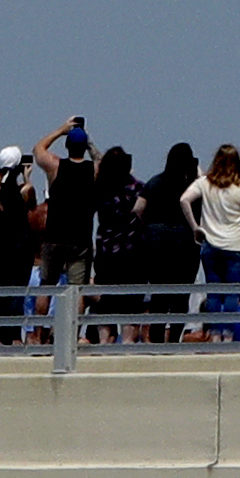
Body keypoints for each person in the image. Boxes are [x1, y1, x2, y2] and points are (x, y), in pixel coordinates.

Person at [184, 144, 240, 336]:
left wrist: (195, 227)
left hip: (211, 245)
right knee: (232, 293)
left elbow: (184, 199)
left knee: (214, 293)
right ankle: (227, 335)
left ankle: (215, 335)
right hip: (237, 246)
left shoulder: (204, 183)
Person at [137, 142, 202, 342]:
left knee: (159, 293)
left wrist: (148, 225)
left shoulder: (155, 182)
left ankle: (156, 336)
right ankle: (174, 337)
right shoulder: (194, 186)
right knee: (181, 295)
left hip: (156, 241)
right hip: (185, 242)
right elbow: (206, 183)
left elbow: (138, 208)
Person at [0, 146, 37, 345]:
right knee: (14, 302)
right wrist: (26, 177)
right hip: (18, 250)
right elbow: (32, 205)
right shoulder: (25, 190)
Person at [35, 120, 98, 293]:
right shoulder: (93, 170)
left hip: (54, 236)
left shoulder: (56, 166)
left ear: (67, 145)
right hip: (80, 238)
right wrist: (90, 143)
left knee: (46, 286)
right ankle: (74, 321)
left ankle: (40, 320)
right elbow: (102, 162)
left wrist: (60, 130)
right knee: (76, 290)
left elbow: (38, 149)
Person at [91, 146, 143, 343]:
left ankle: (105, 342)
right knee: (131, 302)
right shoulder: (137, 188)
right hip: (131, 252)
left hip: (105, 252)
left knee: (105, 301)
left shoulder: (99, 189)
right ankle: (128, 343)